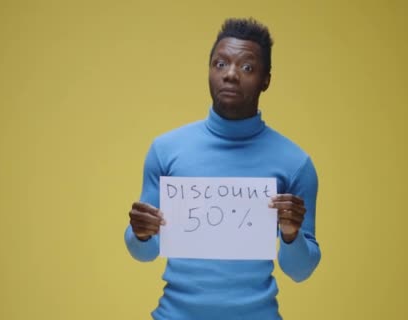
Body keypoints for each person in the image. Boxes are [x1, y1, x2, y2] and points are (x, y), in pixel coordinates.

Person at [125, 17, 321, 319]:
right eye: (220, 64)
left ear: (266, 79)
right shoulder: (166, 150)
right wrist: (138, 234)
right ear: (209, 71)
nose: (230, 75)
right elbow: (144, 252)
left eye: (246, 67)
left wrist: (292, 235)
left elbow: (300, 270)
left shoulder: (295, 163)